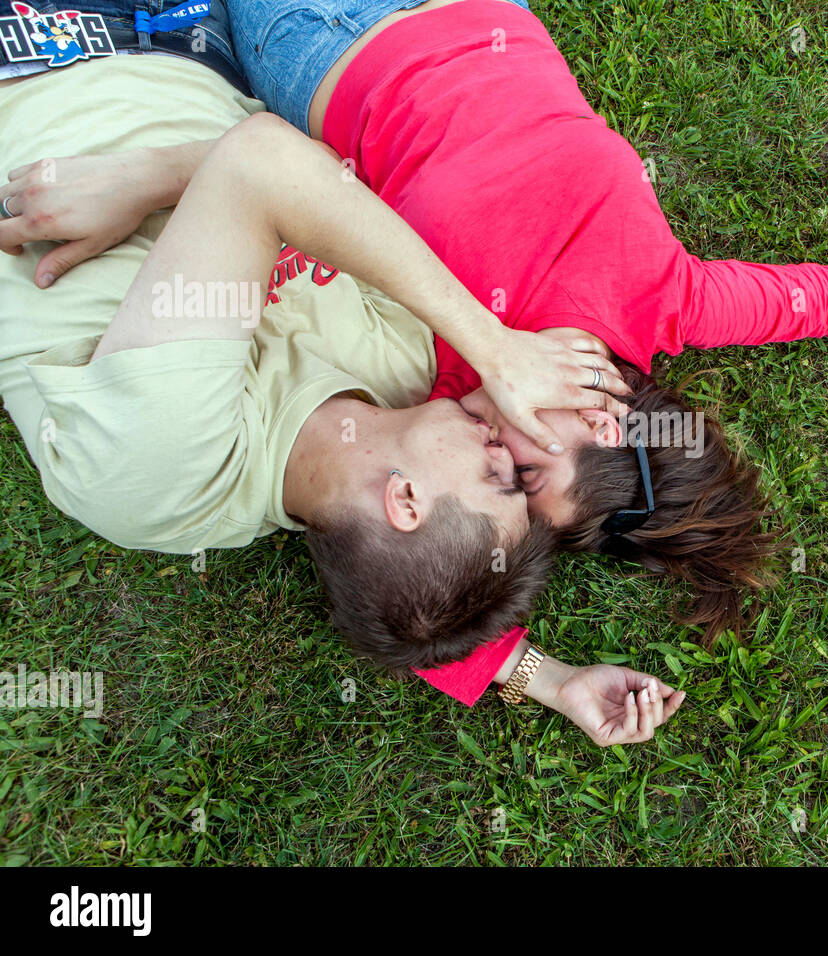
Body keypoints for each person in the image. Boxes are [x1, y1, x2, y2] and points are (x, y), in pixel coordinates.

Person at [212, 0, 828, 705]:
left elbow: (425, 610)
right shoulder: (671, 300)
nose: (489, 467)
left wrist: (553, 683)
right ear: (604, 412)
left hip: (318, 42)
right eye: (524, 476)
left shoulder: (436, 379)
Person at [0, 1, 686, 746]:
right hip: (202, 41)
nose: (506, 445)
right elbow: (424, 597)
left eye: (499, 481)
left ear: (404, 499)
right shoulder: (401, 382)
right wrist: (546, 679)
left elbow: (263, 164)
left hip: (40, 50)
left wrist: (493, 346)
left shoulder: (168, 470)